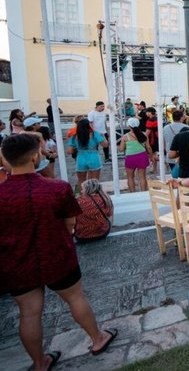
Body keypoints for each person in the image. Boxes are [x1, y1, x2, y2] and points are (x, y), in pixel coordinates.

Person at [0, 134, 117, 370]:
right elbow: (70, 223)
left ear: (6, 159)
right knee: (75, 298)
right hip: (56, 254)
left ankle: (39, 362)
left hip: (18, 260)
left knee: (29, 313)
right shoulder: (57, 188)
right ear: (35, 156)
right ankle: (97, 338)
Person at [67, 118, 108, 187]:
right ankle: (93, 196)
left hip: (81, 158)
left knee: (81, 180)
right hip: (93, 157)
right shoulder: (94, 134)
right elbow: (105, 145)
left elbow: (69, 151)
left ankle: (82, 197)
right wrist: (103, 136)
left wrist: (77, 147)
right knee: (94, 181)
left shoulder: (75, 136)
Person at [119, 118, 153, 192]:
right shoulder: (144, 134)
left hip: (131, 157)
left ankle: (132, 193)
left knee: (130, 177)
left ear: (129, 126)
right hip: (142, 156)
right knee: (142, 177)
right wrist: (151, 156)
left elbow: (121, 149)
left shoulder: (125, 136)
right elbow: (148, 147)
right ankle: (143, 193)